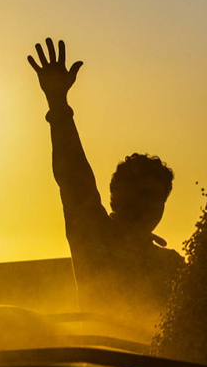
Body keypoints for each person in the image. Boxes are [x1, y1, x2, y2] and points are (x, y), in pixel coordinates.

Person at [27, 37, 184, 316]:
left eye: (155, 198)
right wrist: (58, 104)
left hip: (162, 360)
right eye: (139, 194)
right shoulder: (94, 236)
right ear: (115, 195)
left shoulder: (172, 265)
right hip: (108, 357)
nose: (146, 205)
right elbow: (73, 178)